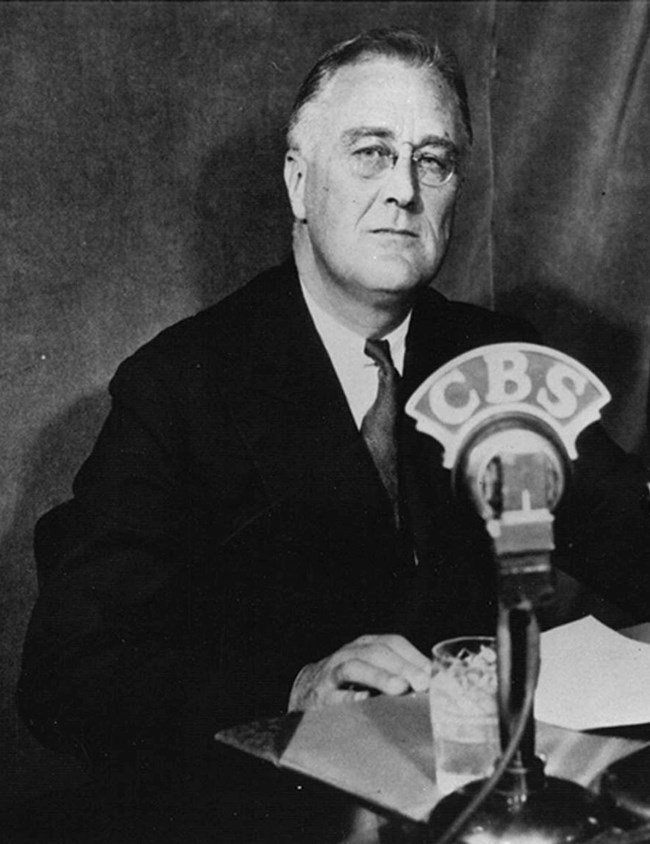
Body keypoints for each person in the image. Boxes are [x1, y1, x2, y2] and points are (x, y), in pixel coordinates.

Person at [16, 26, 650, 843]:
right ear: (297, 181)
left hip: (478, 805)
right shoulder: (182, 384)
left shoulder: (499, 362)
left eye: (434, 160)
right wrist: (292, 684)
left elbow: (637, 545)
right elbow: (69, 673)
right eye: (370, 153)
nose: (404, 192)